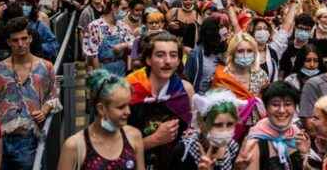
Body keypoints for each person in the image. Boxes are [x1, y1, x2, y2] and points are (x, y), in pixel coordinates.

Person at [0, 16, 61, 170]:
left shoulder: (46, 67)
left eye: (24, 38)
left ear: (30, 38)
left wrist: (44, 110)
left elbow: (54, 96)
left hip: (29, 138)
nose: (20, 44)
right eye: (15, 40)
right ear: (8, 42)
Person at [126, 32, 194, 169]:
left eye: (173, 55)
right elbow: (113, 144)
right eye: (160, 55)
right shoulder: (129, 88)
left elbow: (192, 132)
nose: (167, 61)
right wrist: (154, 140)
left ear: (179, 61)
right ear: (148, 59)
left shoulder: (185, 90)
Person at [56, 69, 145, 170]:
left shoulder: (134, 136)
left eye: (128, 105)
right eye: (121, 107)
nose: (128, 111)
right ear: (101, 109)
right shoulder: (74, 146)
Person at [237, 81, 311, 169]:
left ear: (295, 108)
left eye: (288, 104)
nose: (282, 110)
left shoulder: (298, 135)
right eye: (275, 104)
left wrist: (305, 154)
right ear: (266, 108)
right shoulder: (254, 143)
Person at [171, 90, 242, 169]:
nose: (224, 131)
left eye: (230, 124)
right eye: (218, 125)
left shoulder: (233, 148)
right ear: (202, 124)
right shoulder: (184, 151)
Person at [83, 0, 134, 76]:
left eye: (127, 9)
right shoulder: (95, 26)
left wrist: (124, 45)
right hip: (103, 68)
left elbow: (133, 44)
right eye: (123, 9)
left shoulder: (123, 26)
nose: (126, 12)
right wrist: (100, 77)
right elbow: (93, 55)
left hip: (121, 70)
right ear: (113, 7)